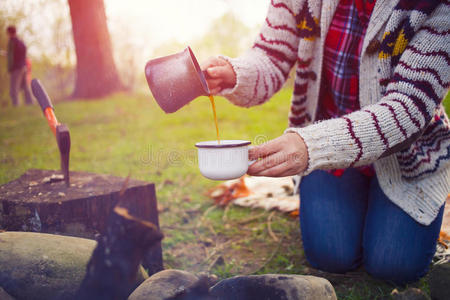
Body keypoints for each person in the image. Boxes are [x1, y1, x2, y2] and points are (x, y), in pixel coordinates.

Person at [202, 0, 449, 284]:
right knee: (331, 256)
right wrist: (233, 73)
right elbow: (271, 54)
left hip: (407, 157)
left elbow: (410, 106)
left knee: (392, 266)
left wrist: (308, 146)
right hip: (327, 156)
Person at [6, 25, 33, 106]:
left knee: (14, 88)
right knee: (25, 87)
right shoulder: (20, 42)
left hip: (16, 68)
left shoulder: (12, 42)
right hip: (23, 66)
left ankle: (16, 105)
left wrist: (10, 68)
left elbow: (11, 56)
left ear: (9, 32)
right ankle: (30, 103)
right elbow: (23, 53)